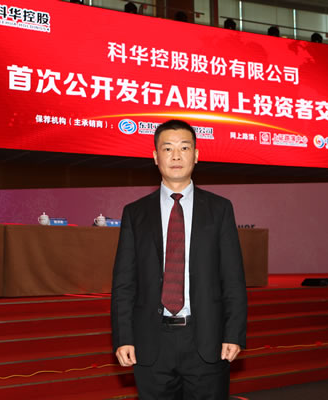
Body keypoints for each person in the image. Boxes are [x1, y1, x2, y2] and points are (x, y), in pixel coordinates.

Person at [111, 119, 248, 399]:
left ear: (196, 155)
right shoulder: (135, 213)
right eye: (168, 148)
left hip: (206, 340)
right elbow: (124, 282)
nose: (176, 156)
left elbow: (233, 278)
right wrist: (124, 337)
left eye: (184, 148)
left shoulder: (220, 209)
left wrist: (233, 333)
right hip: (151, 342)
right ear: (155, 156)